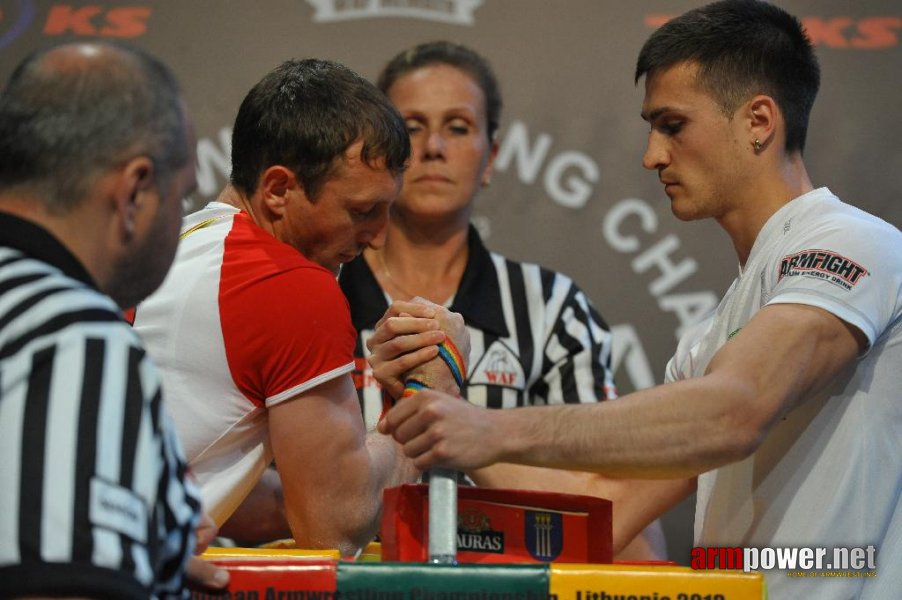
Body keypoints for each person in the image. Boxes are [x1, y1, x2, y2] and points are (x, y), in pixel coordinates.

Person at [376, 2, 901, 598]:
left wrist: (491, 428)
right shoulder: (709, 339)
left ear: (759, 120)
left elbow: (735, 410)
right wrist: (453, 413)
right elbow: (609, 509)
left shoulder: (853, 242)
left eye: (672, 125)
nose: (652, 155)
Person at [339, 41, 682, 559]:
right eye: (411, 127)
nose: (433, 146)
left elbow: (614, 512)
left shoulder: (554, 310)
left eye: (458, 126)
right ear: (380, 152)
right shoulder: (320, 298)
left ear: (491, 156)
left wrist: (455, 423)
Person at [131, 58, 432, 558]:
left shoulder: (178, 243)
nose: (378, 237)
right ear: (278, 190)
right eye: (362, 211)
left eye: (387, 210)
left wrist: (300, 494)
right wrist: (431, 387)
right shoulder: (291, 286)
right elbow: (336, 529)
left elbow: (194, 469)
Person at [0, 42, 226, 597]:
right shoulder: (71, 338)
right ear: (134, 192)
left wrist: (140, 562)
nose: (182, 221)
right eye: (180, 197)